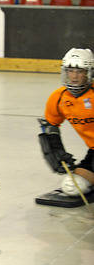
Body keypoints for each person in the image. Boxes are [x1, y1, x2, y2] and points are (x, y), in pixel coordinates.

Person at [38, 48, 94, 199]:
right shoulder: (58, 98)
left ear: (88, 73)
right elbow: (50, 126)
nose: (74, 76)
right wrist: (55, 151)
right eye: (70, 71)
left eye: (80, 71)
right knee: (72, 187)